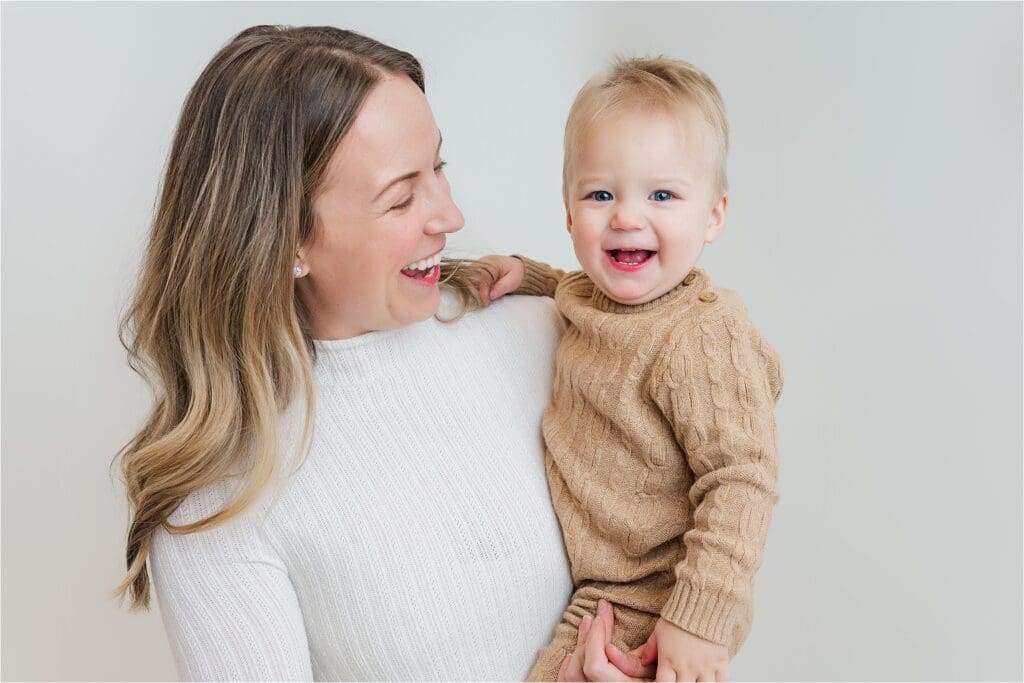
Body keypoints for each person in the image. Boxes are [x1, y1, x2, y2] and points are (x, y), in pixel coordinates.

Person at [110, 24, 634, 681]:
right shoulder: (219, 502)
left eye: (438, 167)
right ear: (288, 240)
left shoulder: (550, 336)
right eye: (401, 197)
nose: (450, 216)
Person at [476, 57, 785, 682]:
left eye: (662, 195)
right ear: (569, 215)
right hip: (605, 586)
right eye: (601, 194)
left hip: (663, 590)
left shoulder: (701, 334)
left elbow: (742, 478)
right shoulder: (590, 296)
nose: (626, 217)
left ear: (714, 214)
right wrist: (526, 274)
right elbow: (571, 286)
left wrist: (698, 619)